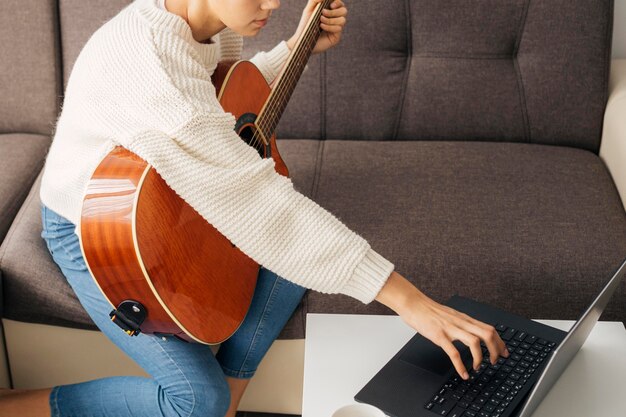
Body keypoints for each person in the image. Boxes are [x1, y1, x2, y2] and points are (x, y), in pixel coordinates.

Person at [0, 0, 509, 415]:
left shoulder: (204, 23)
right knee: (196, 400)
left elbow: (214, 100)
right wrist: (412, 303)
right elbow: (256, 200)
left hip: (165, 189)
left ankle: (231, 406)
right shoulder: (149, 62)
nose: (272, 6)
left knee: (290, 263)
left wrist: (297, 48)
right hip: (98, 224)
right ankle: (15, 408)